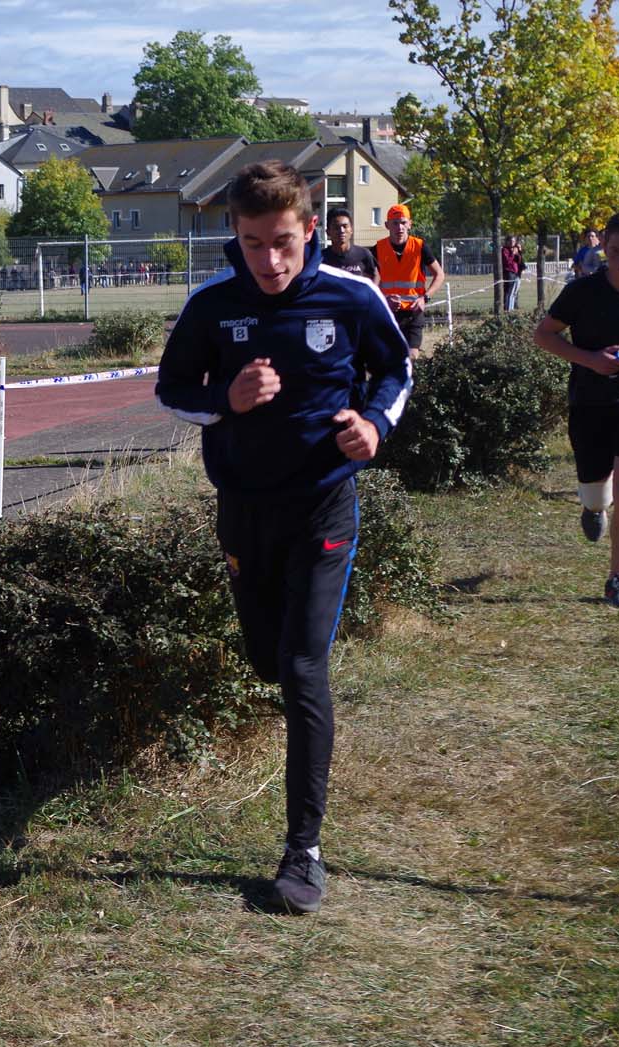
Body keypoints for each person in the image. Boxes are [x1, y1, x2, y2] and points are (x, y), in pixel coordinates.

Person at [155, 161, 412, 915]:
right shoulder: (212, 304)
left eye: (282, 242)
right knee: (265, 659)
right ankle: (279, 676)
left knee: (302, 668)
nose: (268, 260)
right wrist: (225, 401)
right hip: (242, 508)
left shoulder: (350, 294)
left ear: (309, 231)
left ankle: (303, 850)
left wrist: (373, 425)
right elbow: (172, 392)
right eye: (251, 242)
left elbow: (394, 371)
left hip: (323, 507)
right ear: (233, 235)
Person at [534, 208, 619, 610]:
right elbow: (543, 335)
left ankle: (618, 578)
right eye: (614, 252)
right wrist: (589, 359)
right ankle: (594, 507)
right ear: (604, 251)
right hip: (590, 403)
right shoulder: (582, 292)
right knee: (597, 495)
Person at [372, 204, 445, 359]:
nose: (400, 227)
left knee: (412, 356)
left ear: (410, 224)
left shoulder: (419, 246)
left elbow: (439, 275)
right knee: (389, 358)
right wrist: (384, 299)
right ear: (387, 225)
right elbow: (367, 284)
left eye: (403, 222)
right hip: (388, 312)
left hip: (413, 312)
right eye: (395, 223)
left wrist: (425, 298)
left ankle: (413, 383)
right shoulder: (377, 249)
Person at [320, 207, 377, 281]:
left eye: (345, 226)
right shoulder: (320, 258)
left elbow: (375, 276)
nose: (342, 230)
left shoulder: (364, 254)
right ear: (328, 231)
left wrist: (370, 291)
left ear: (351, 230)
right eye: (336, 227)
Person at [501, 237, 526, 311]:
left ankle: (512, 309)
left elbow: (520, 261)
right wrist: (513, 253)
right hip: (509, 272)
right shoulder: (504, 250)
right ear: (507, 241)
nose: (512, 242)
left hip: (516, 273)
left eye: (514, 241)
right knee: (509, 292)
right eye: (510, 241)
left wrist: (519, 252)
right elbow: (507, 261)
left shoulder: (515, 249)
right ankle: (507, 310)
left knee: (514, 293)